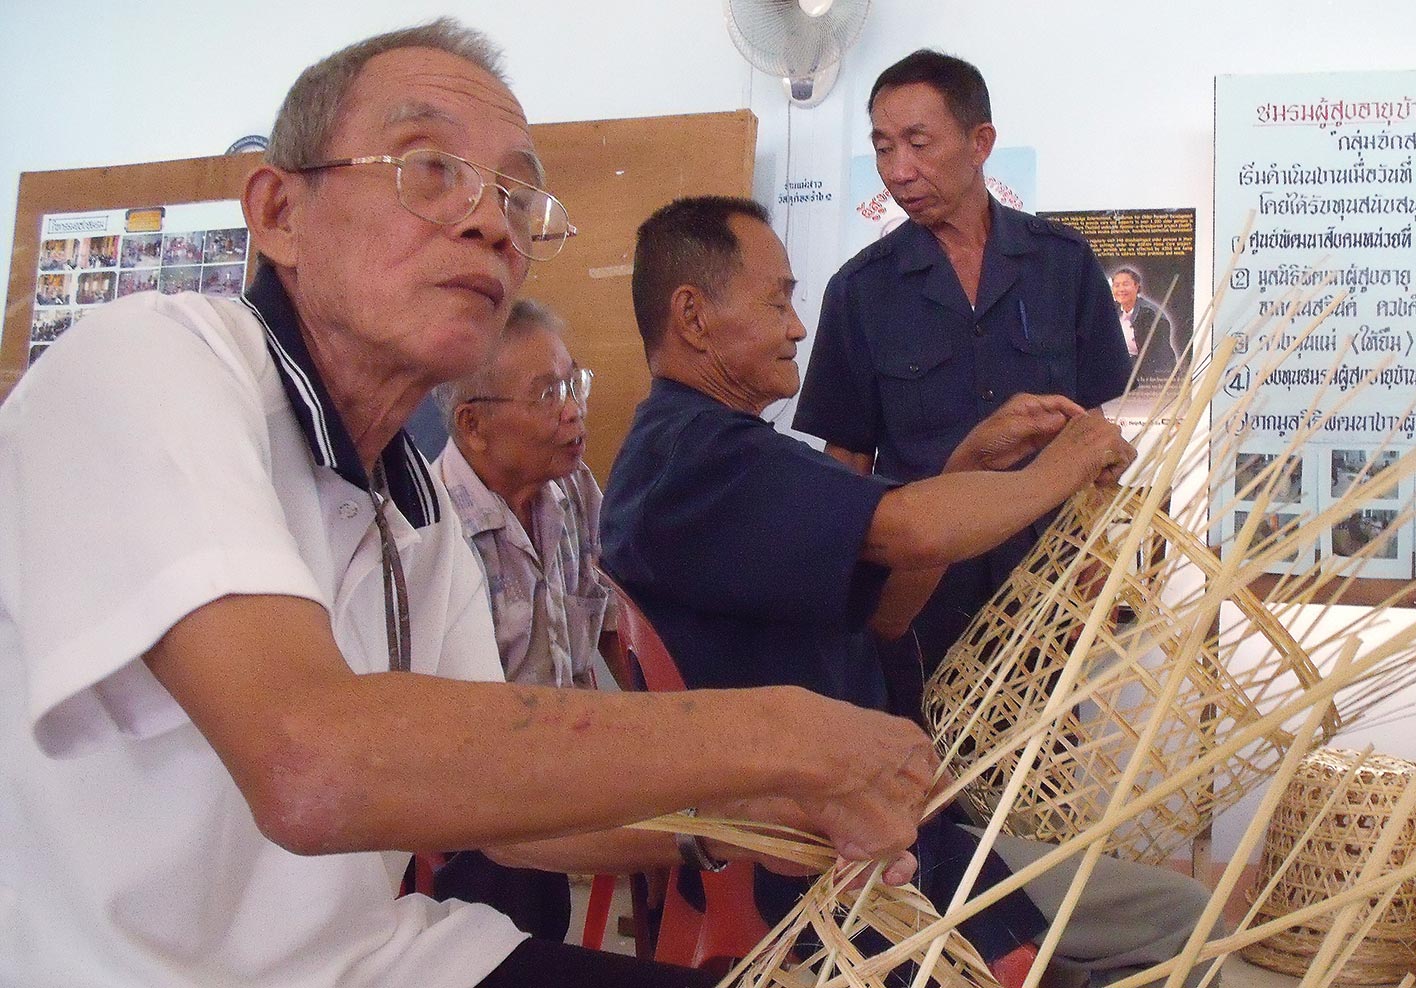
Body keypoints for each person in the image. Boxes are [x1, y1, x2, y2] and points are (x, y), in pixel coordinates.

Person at [0, 21, 942, 988]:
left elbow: (518, 818)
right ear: (278, 211)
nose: (493, 224)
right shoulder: (151, 361)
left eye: (517, 195)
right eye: (428, 168)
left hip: (377, 957)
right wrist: (777, 735)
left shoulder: (414, 506)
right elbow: (309, 762)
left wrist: (727, 826)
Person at [601, 194, 1213, 987]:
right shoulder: (704, 460)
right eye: (777, 298)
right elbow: (909, 530)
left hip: (874, 822)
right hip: (840, 858)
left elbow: (885, 606)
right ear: (692, 314)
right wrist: (1063, 465)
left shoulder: (698, 456)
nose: (796, 325)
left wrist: (964, 469)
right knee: (1187, 920)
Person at [793, 49, 1134, 706]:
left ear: (981, 143)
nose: (899, 171)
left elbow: (1093, 433)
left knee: (1041, 786)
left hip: (1047, 594)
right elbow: (845, 467)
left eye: (919, 144)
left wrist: (1098, 557)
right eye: (884, 149)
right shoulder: (859, 292)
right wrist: (849, 609)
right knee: (916, 785)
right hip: (920, 601)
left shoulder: (1063, 264)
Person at [430, 298, 620, 939]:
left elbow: (597, 637)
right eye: (546, 396)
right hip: (470, 815)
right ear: (474, 426)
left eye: (573, 385)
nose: (573, 411)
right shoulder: (434, 533)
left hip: (553, 785)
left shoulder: (572, 493)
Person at [1110, 266, 1184, 383]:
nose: (1121, 289)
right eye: (1116, 285)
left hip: (1152, 376)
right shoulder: (1115, 309)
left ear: (1136, 286)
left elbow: (1156, 356)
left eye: (1126, 284)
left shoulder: (1150, 315)